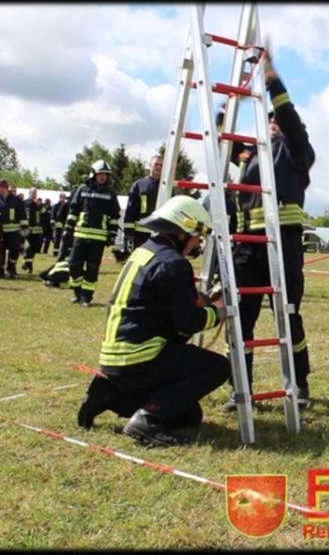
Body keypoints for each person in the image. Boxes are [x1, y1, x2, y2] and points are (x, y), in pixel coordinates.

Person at [76, 195, 230, 447]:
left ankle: (110, 395)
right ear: (182, 230)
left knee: (189, 415)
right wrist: (219, 311)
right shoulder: (173, 263)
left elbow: (164, 299)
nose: (197, 244)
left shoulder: (145, 252)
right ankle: (146, 420)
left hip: (116, 359)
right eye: (196, 236)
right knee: (218, 367)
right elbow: (187, 323)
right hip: (141, 358)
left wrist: (203, 299)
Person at [225, 50, 315, 408]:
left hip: (283, 245)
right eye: (269, 119)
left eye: (277, 119)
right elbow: (223, 136)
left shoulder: (297, 150)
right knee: (241, 318)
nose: (273, 122)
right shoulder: (250, 154)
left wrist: (270, 78)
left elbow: (288, 114)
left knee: (288, 317)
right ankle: (240, 389)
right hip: (246, 247)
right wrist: (230, 97)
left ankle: (299, 385)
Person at [66, 161, 121, 306]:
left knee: (92, 268)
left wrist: (112, 233)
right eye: (100, 174)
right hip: (80, 234)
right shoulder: (82, 189)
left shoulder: (110, 193)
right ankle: (77, 291)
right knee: (74, 265)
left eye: (105, 175)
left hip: (99, 237)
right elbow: (73, 210)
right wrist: (68, 228)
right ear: (93, 174)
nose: (103, 177)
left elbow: (114, 216)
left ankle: (86, 297)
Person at [0, 179, 27, 279]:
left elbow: (23, 215)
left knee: (15, 250)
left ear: (4, 188)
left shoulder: (16, 200)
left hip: (14, 232)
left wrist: (24, 229)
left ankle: (11, 269)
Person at [123, 155, 163, 251]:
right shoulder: (139, 185)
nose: (158, 167)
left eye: (161, 165)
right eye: (156, 164)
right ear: (150, 165)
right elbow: (130, 210)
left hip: (159, 233)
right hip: (140, 233)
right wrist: (129, 232)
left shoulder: (166, 187)